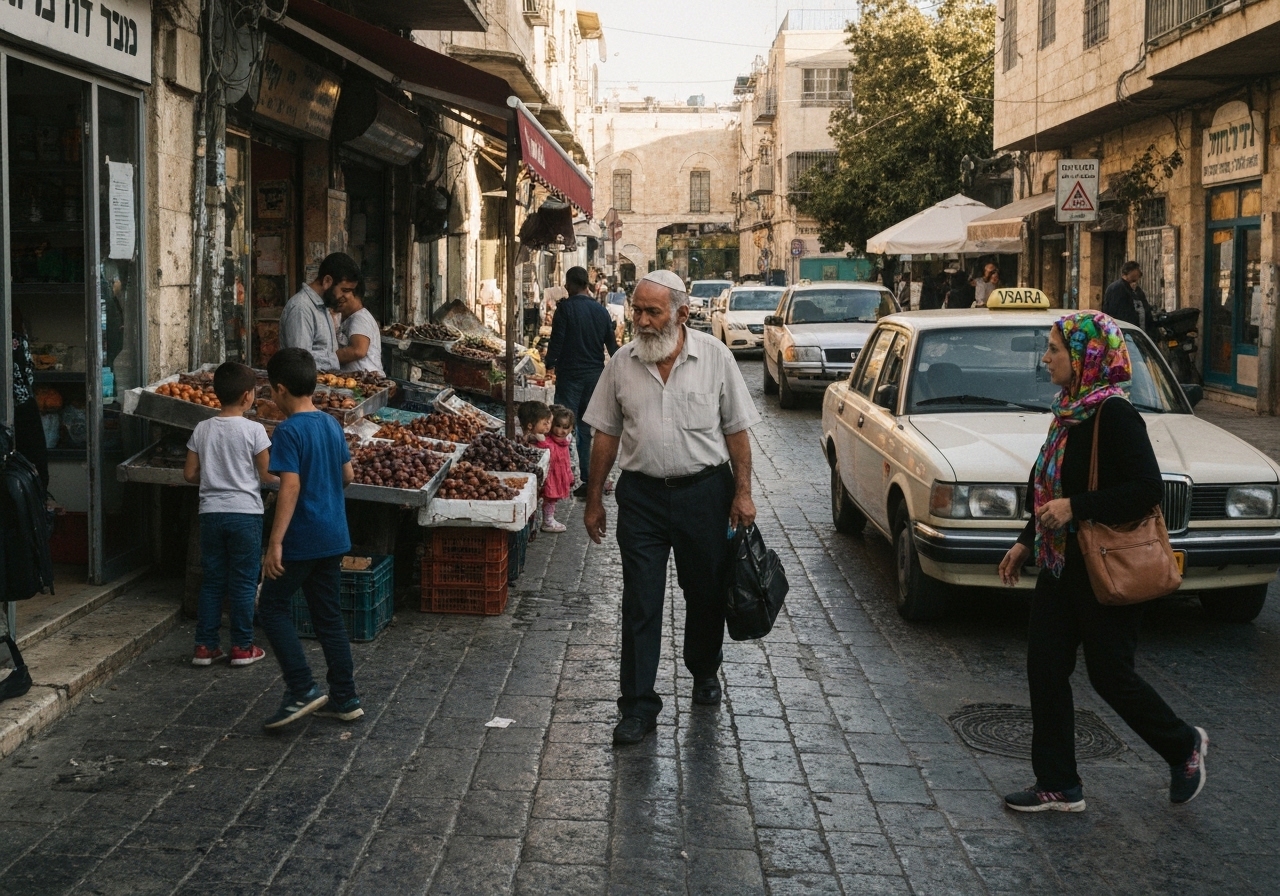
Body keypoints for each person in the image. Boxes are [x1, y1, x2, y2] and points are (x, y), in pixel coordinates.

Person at [997, 311, 1206, 812]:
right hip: (1060, 563)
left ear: (1087, 357)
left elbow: (1146, 491)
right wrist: (1029, 539)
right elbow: (1050, 487)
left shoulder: (1113, 414)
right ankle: (1059, 785)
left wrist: (1077, 509)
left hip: (1104, 565)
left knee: (1111, 675)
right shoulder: (1069, 409)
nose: (1044, 358)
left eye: (1054, 349)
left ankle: (1183, 747)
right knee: (1045, 669)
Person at [582, 269, 761, 746]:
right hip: (641, 497)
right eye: (636, 310)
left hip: (705, 494)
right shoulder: (622, 363)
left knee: (705, 593)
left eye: (651, 312)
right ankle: (638, 706)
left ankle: (704, 669)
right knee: (641, 600)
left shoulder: (716, 358)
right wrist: (594, 497)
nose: (640, 320)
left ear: (682, 315)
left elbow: (737, 431)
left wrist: (742, 492)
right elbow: (605, 432)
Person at [256, 348, 362, 730]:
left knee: (271, 607)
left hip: (302, 537)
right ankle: (345, 697)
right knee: (329, 617)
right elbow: (348, 476)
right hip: (334, 535)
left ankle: (301, 686)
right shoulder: (332, 424)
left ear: (280, 389)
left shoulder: (288, 431)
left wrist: (275, 543)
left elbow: (289, 487)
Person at [183, 362, 274, 668]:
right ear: (249, 396)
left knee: (212, 581)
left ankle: (205, 647)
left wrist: (214, 476)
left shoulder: (202, 428)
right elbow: (266, 474)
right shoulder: (255, 430)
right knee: (244, 582)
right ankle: (242, 647)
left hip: (210, 513)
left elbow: (189, 474)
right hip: (245, 514)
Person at [544, 266, 618, 495]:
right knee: (585, 430)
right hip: (594, 377)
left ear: (573, 284)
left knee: (559, 426)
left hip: (570, 377)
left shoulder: (565, 309)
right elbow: (612, 347)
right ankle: (587, 478)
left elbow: (557, 340)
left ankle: (560, 476)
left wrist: (548, 364)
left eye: (567, 284)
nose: (565, 288)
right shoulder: (601, 311)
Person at [278, 253, 361, 371]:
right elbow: (300, 361)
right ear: (327, 281)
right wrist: (337, 357)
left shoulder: (323, 307)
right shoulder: (301, 308)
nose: (346, 297)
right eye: (344, 290)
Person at [9, 308, 47, 489]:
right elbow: (28, 375)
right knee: (33, 457)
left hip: (8, 409)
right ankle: (38, 497)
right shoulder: (19, 340)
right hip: (23, 406)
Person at [539, 406, 576, 533]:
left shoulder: (566, 441)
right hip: (550, 476)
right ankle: (547, 521)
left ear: (571, 428)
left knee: (552, 500)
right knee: (548, 498)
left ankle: (548, 519)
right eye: (557, 426)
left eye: (565, 427)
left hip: (559, 475)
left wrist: (570, 475)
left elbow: (567, 460)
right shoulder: (547, 441)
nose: (560, 431)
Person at [336, 285, 384, 375]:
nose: (338, 296)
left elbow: (358, 351)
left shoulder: (359, 318)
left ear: (357, 294)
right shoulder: (355, 317)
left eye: (345, 290)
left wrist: (326, 358)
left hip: (367, 381)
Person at [1102, 261, 1157, 338]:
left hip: (1138, 334)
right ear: (1130, 271)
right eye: (1137, 270)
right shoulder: (1116, 288)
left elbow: (1145, 308)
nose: (1139, 273)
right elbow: (1115, 313)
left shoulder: (1137, 290)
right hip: (1125, 334)